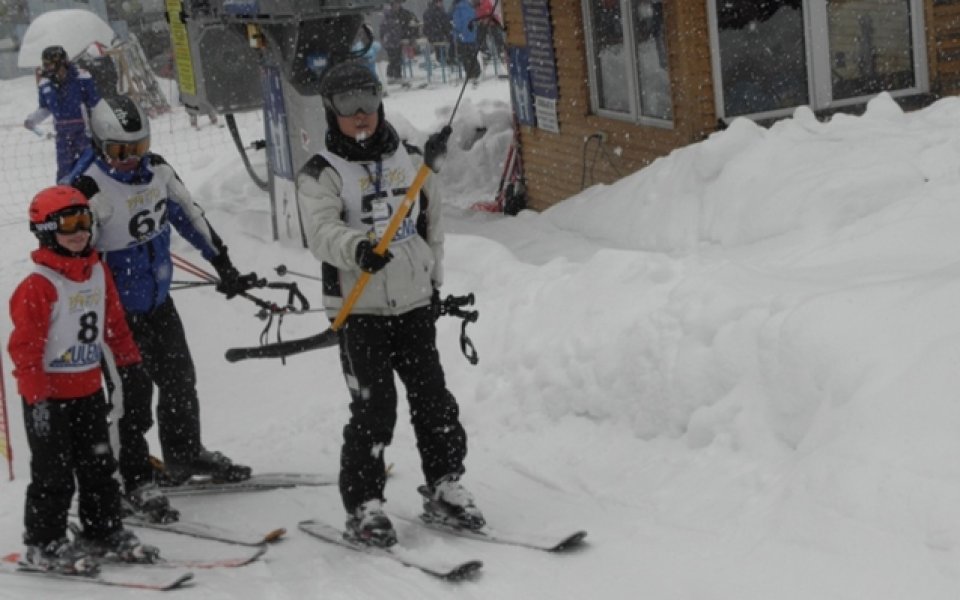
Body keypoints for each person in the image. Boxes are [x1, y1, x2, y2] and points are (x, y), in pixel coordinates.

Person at [296, 60, 484, 547]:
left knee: (433, 399)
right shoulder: (322, 172)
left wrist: (433, 271)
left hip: (414, 303)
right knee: (374, 408)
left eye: (368, 102)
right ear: (330, 111)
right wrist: (357, 248)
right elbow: (320, 233)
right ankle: (364, 505)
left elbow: (431, 218)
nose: (361, 115)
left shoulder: (412, 159)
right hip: (360, 311)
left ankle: (444, 484)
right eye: (347, 106)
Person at [65, 95, 260, 488]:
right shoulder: (88, 187)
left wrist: (223, 265)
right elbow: (70, 257)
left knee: (179, 380)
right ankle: (125, 474)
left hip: (158, 302)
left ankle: (184, 455)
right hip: (115, 316)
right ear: (100, 145)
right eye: (121, 151)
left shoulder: (157, 171)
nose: (131, 159)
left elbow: (190, 215)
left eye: (139, 148)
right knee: (131, 397)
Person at [8, 185, 160, 574]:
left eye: (83, 222)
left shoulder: (97, 271)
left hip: (89, 390)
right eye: (67, 225)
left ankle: (102, 530)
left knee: (99, 466)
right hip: (49, 397)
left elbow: (113, 323)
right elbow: (25, 349)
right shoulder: (38, 285)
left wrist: (129, 362)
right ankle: (45, 542)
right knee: (53, 474)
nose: (79, 232)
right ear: (44, 231)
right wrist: (37, 399)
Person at [23, 46, 101, 182]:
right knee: (64, 172)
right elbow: (46, 108)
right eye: (45, 64)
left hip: (84, 133)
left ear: (62, 62)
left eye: (50, 64)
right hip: (63, 136)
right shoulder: (45, 84)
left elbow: (95, 105)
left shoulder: (81, 78)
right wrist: (33, 120)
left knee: (90, 168)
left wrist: (100, 128)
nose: (47, 68)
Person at [380, 0, 419, 85]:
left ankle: (395, 75)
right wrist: (384, 38)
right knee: (393, 58)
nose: (397, 5)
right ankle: (393, 76)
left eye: (398, 3)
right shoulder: (388, 15)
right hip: (391, 40)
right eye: (396, 4)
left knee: (397, 58)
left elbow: (408, 24)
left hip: (396, 40)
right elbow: (384, 28)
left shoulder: (403, 14)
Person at [451, 0, 481, 82]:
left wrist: (456, 33)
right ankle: (476, 71)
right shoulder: (469, 6)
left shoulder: (457, 9)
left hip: (463, 37)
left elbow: (457, 24)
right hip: (471, 35)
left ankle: (470, 73)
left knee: (465, 56)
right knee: (472, 54)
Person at [422, 0, 453, 66]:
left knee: (443, 41)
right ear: (437, 2)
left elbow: (426, 28)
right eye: (441, 2)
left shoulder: (427, 12)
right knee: (452, 39)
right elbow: (446, 25)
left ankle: (442, 58)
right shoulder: (440, 12)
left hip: (431, 36)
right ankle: (448, 58)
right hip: (438, 35)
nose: (442, 4)